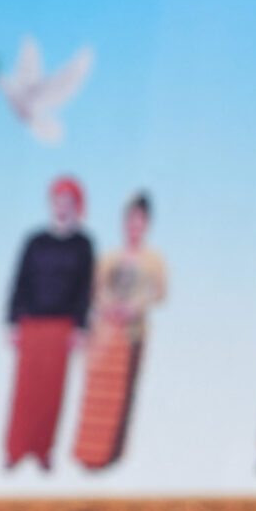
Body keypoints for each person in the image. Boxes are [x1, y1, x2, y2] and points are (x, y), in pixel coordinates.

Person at [73, 192, 169, 471]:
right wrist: (107, 305)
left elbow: (160, 293)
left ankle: (110, 455)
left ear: (147, 225)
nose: (134, 227)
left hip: (132, 334)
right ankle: (87, 453)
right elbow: (95, 289)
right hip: (104, 333)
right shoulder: (109, 256)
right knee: (95, 395)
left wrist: (135, 307)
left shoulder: (154, 259)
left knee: (121, 397)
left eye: (140, 222)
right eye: (130, 221)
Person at [4, 177, 95, 470]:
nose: (62, 206)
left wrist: (81, 328)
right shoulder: (35, 241)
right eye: (58, 200)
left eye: (69, 201)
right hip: (32, 324)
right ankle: (15, 450)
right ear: (51, 203)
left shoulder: (84, 245)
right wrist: (12, 322)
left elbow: (85, 289)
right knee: (25, 391)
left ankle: (43, 450)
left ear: (77, 205)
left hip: (62, 327)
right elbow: (19, 279)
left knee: (52, 393)